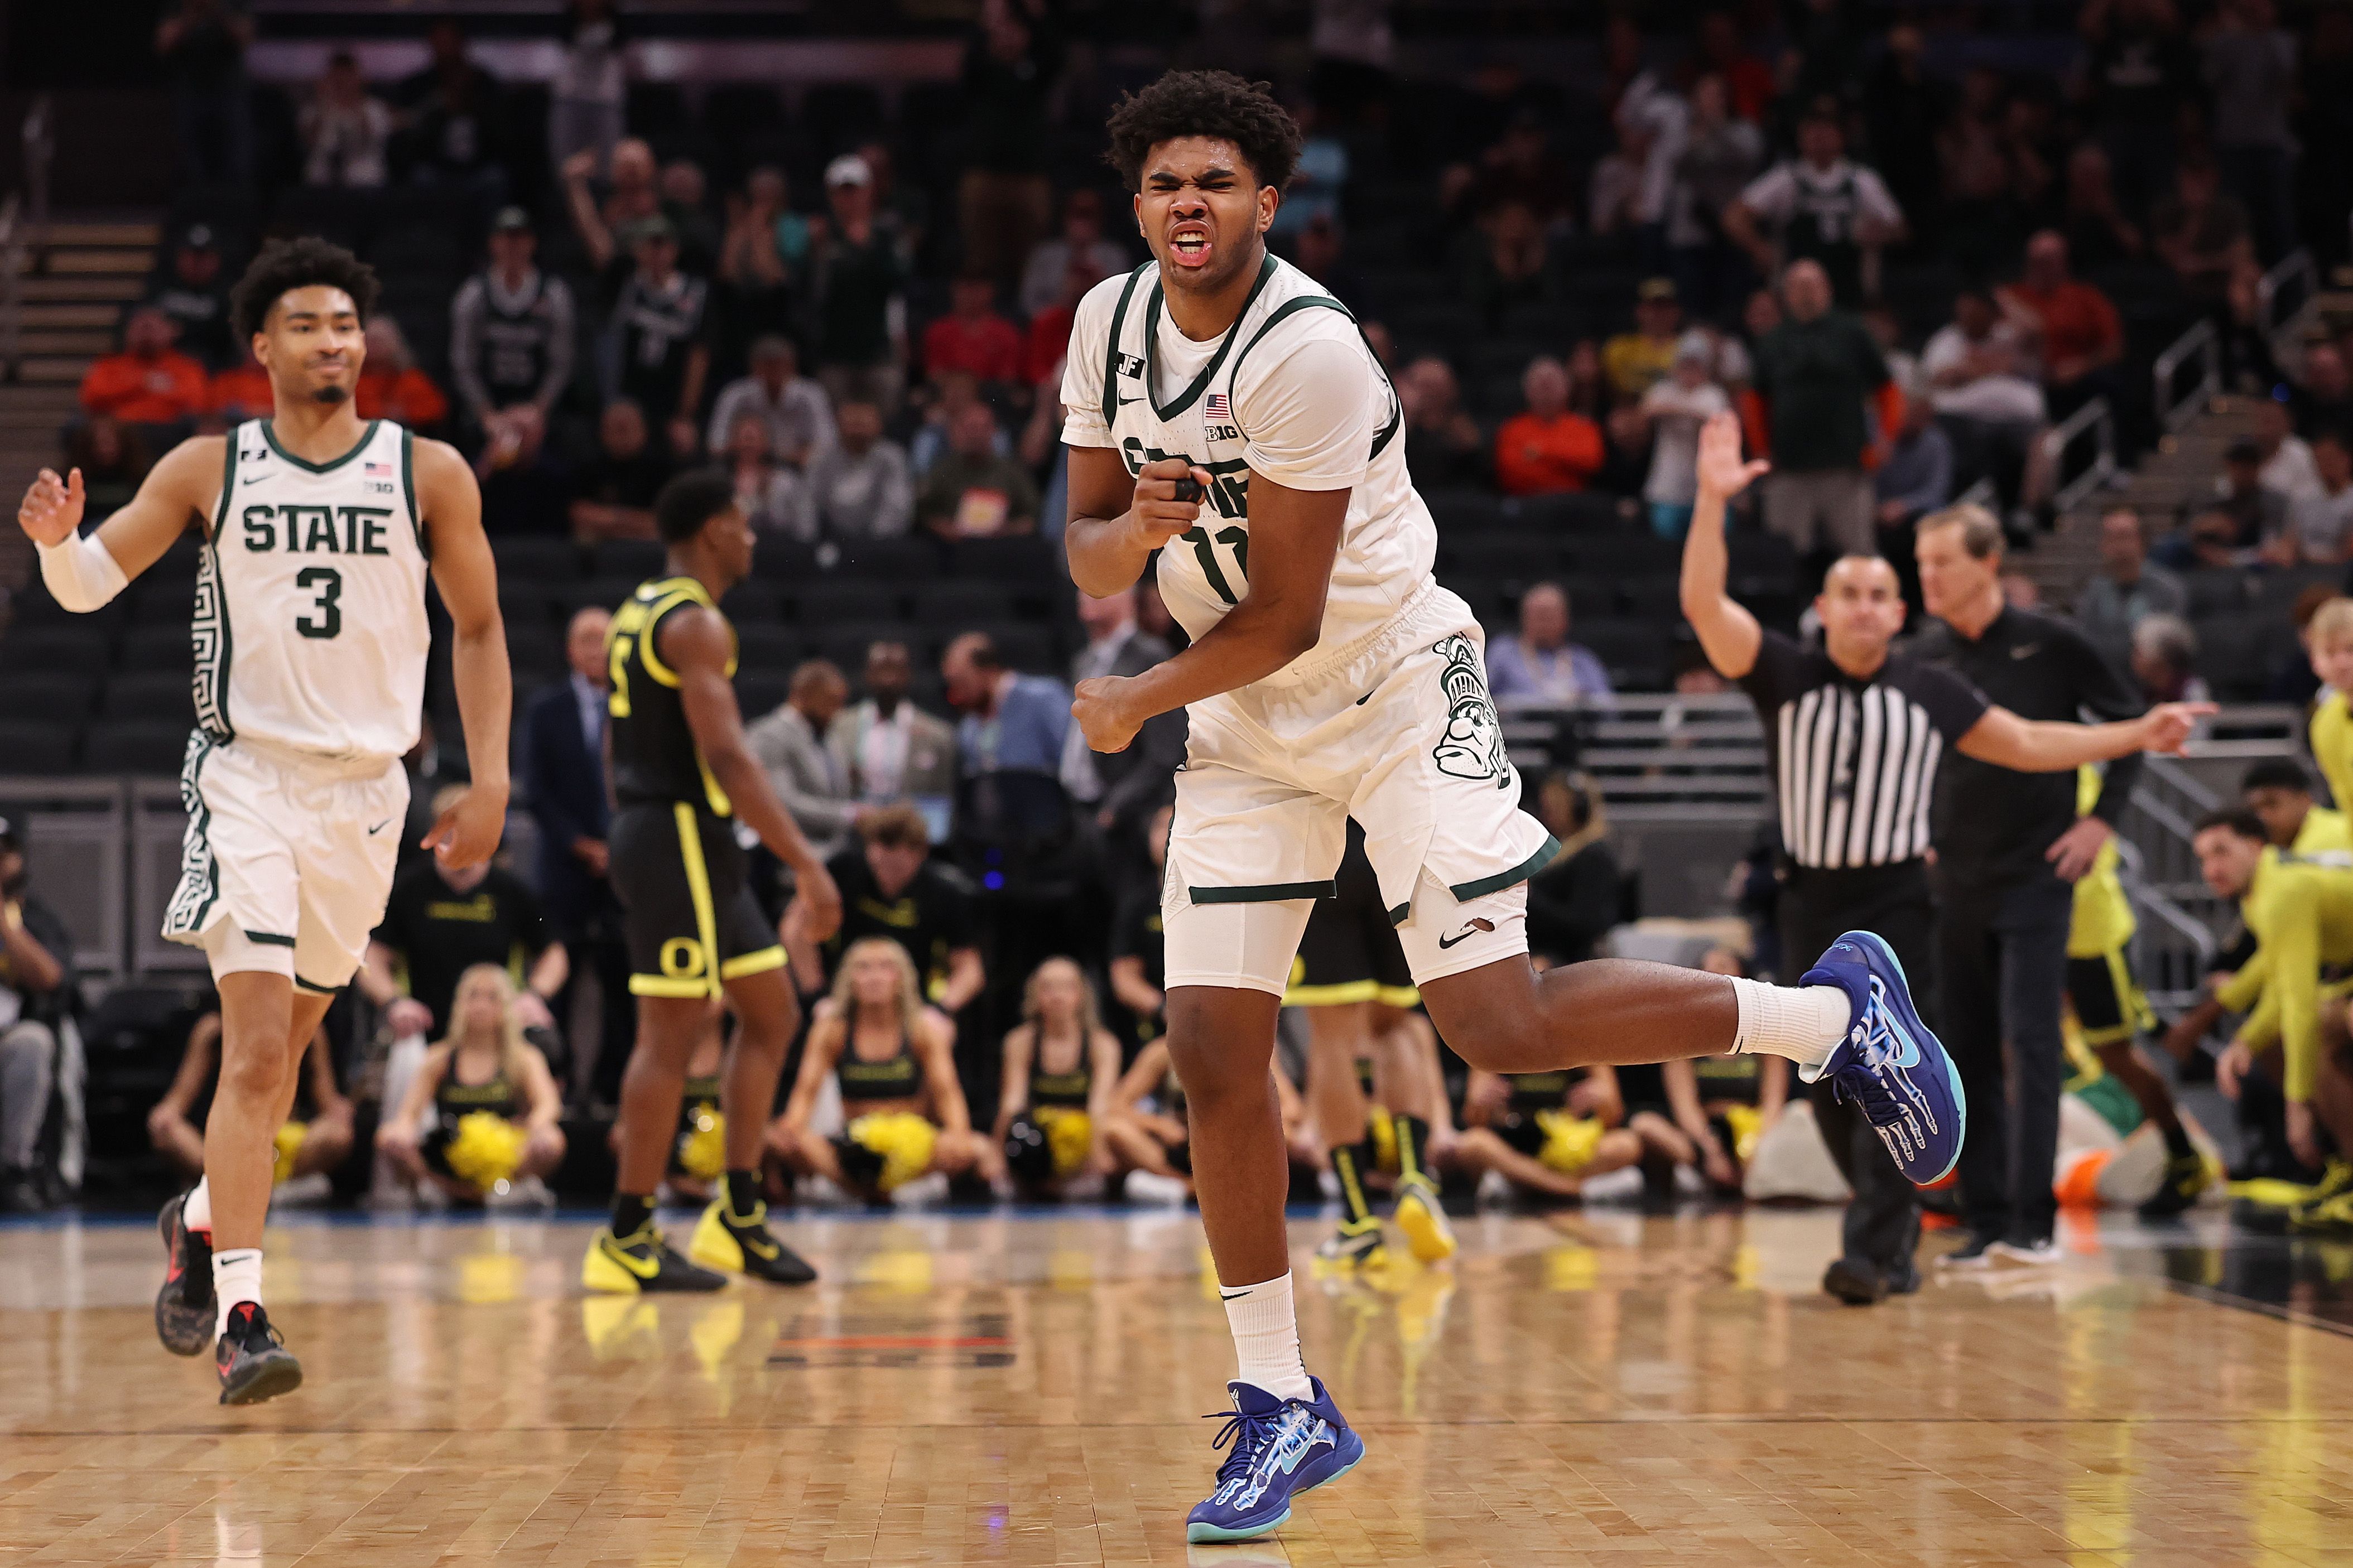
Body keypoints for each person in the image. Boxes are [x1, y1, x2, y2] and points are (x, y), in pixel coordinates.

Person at [1061, 71, 1973, 1544]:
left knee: (1496, 1024)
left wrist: (1131, 698)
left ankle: (1828, 1020)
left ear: (1266, 202)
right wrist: (1140, 533)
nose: (1187, 199)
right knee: (1208, 1038)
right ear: (1136, 195)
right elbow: (1087, 553)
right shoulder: (1105, 328)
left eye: (1216, 179)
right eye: (1164, 175)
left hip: (1390, 682)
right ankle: (1281, 1396)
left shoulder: (1310, 352)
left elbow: (1289, 614)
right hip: (1237, 711)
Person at [18, 236, 510, 1403]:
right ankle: (243, 1311)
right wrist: (50, 550)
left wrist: (487, 780)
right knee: (249, 1053)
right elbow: (93, 581)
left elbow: (481, 630)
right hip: (248, 778)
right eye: (306, 324)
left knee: (286, 1058)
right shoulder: (208, 465)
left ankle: (197, 1222)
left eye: (346, 322)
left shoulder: (429, 470)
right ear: (261, 347)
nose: (332, 340)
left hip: (369, 797)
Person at [1682, 416, 2202, 1301]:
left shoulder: (1928, 685)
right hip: (1809, 900)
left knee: (1893, 1069)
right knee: (1828, 1089)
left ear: (1895, 613)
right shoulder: (1782, 672)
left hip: (1897, 902)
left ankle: (1877, 1251)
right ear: (1824, 608)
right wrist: (1709, 502)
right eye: (1847, 590)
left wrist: (2134, 731)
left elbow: (2033, 740)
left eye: (1879, 592)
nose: (1863, 604)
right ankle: (1910, 1238)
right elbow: (1704, 607)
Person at [581, 471, 841, 1292]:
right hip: (678, 837)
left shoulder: (640, 608)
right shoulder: (696, 623)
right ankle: (629, 1230)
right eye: (743, 523)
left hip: (681, 835)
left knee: (771, 1011)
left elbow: (619, 744)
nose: (753, 537)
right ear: (712, 532)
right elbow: (729, 757)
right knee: (671, 1033)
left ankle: (738, 1211)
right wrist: (806, 863)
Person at [1912, 503, 2190, 1269]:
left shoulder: (2056, 643)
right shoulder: (1926, 654)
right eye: (1921, 562)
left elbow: (2129, 729)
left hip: (2038, 875)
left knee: (2031, 1043)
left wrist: (2101, 819)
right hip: (1955, 878)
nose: (1926, 576)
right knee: (1964, 1046)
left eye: (1941, 562)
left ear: (1987, 562)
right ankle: (1985, 1215)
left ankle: (2033, 1222)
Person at [1286, 822, 1456, 1268]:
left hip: (1325, 844)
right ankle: (1416, 1179)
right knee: (1394, 1024)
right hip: (1397, 844)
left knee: (1332, 1040)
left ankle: (1359, 1220)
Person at [2061, 766, 2211, 1217]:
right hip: (2025, 930)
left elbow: (2084, 848)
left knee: (2117, 1055)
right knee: (2006, 1044)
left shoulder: (2069, 763)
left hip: (2089, 935)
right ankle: (1990, 1178)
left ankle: (2182, 1154)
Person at [2192, 809, 2353, 1226]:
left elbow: (2296, 999)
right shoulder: (2263, 892)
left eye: (2221, 852)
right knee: (2318, 1030)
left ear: (2255, 845)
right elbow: (2283, 984)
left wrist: (2296, 1103)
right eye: (2203, 858)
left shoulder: (2280, 890)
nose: (2211, 869)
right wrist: (2246, 1039)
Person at [767, 936, 994, 1199]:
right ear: (849, 980)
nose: (874, 977)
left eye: (885, 968)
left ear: (902, 979)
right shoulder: (832, 1030)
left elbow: (948, 1094)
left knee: (978, 1148)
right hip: (850, 1150)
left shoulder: (922, 1031)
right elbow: (804, 1096)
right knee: (780, 1141)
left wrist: (958, 1135)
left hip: (912, 1153)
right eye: (863, 968)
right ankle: (860, 1188)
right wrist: (791, 1130)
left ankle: (874, 1192)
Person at [520, 606, 634, 1107]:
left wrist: (618, 845)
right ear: (570, 649)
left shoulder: (636, 706)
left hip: (625, 866)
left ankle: (613, 1087)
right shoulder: (546, 709)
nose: (597, 648)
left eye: (605, 640)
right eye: (587, 639)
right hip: (564, 866)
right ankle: (557, 1083)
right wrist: (581, 845)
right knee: (558, 979)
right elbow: (537, 790)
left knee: (622, 980)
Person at [361, 795, 566, 1042]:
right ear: (435, 835)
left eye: (471, 834)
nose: (461, 845)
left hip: (496, 1034)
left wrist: (534, 996)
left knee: (545, 1047)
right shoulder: (409, 888)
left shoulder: (512, 891)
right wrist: (394, 1002)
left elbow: (554, 954)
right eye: (451, 835)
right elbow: (372, 955)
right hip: (422, 1029)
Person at [375, 964, 566, 1202]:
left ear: (506, 1007)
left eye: (492, 998)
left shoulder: (524, 1057)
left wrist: (534, 1127)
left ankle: (508, 1190)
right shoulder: (440, 1057)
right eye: (473, 996)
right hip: (449, 1155)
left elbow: (548, 1104)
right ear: (460, 1004)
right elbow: (409, 1113)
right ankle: (435, 1190)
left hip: (509, 1155)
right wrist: (403, 1129)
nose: (481, 1006)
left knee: (552, 1140)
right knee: (390, 1138)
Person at [1749, 259, 1894, 561]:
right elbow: (1754, 400)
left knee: (1861, 558)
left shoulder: (1852, 333)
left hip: (1845, 469)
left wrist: (1885, 439)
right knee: (1784, 559)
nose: (1806, 294)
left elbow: (1888, 390)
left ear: (1827, 290)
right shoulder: (1773, 340)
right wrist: (1761, 448)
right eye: (1798, 287)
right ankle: (1794, 610)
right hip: (1788, 471)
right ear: (1786, 294)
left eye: (1812, 286)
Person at [787, 805, 984, 1012]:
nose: (888, 873)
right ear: (868, 848)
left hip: (911, 1006)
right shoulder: (842, 871)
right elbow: (794, 929)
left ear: (921, 854)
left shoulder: (943, 893)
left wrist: (941, 1011)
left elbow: (970, 969)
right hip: (842, 999)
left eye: (897, 866)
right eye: (881, 863)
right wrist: (817, 996)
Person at [150, 1006, 351, 1197]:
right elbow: (177, 1100)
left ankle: (276, 1193)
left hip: (284, 1143)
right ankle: (221, 1187)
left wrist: (341, 1112)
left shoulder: (308, 1027)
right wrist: (166, 1117)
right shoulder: (214, 1030)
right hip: (226, 1144)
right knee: (166, 1129)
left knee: (337, 1133)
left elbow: (329, 1101)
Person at [1721, 109, 1906, 306]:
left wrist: (1878, 233)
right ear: (1801, 138)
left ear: (1841, 137)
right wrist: (1759, 248)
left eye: (1826, 131)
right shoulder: (1788, 178)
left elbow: (1900, 229)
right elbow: (1733, 217)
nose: (1820, 138)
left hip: (1850, 290)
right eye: (1813, 131)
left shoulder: (1860, 179)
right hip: (1797, 292)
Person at [449, 209, 576, 462]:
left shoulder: (553, 294)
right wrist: (487, 416)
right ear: (493, 243)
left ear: (532, 243)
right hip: (488, 408)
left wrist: (538, 410)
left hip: (537, 408)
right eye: (506, 238)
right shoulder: (474, 295)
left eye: (520, 238)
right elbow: (463, 363)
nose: (513, 246)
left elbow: (561, 362)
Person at [1062, 587, 1181, 848]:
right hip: (1080, 808)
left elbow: (1166, 752)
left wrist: (1117, 807)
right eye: (1082, 588)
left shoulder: (1151, 655)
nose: (1086, 594)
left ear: (1128, 594)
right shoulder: (1083, 660)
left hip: (1126, 816)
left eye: (1097, 586)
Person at [993, 957, 1124, 1194]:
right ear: (1035, 995)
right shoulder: (1020, 1042)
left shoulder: (1103, 1045)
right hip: (1039, 1140)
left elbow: (1100, 1106)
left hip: (1085, 1140)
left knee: (1098, 1131)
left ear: (1082, 994)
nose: (1057, 996)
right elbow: (1012, 1103)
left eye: (1066, 987)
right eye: (1048, 988)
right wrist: (998, 1159)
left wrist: (1098, 1155)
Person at [1445, 1056, 1645, 1203]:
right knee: (1473, 1144)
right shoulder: (1494, 1041)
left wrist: (1601, 1099)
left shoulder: (1583, 1037)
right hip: (1514, 1146)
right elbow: (1472, 1119)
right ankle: (1578, 1191)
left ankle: (1525, 1187)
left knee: (1626, 1144)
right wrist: (1482, 1103)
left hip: (1569, 1149)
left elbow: (1614, 1115)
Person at [0, 818, 74, 1211]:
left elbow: (52, 978)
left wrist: (3, 921)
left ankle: (15, 1170)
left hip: (9, 1036)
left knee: (33, 1043)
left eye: (3, 851)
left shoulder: (34, 915)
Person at [602, 218, 710, 462]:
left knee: (681, 447)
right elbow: (609, 342)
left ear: (675, 250)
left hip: (669, 402)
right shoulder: (625, 283)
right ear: (637, 250)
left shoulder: (695, 293)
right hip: (627, 398)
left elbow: (699, 357)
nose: (656, 254)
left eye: (662, 246)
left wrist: (685, 415)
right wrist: (611, 401)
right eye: (650, 246)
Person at [745, 660, 860, 860]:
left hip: (835, 851)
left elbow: (839, 795)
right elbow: (782, 803)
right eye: (832, 701)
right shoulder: (769, 736)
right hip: (788, 854)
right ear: (804, 695)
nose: (839, 711)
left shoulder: (830, 737)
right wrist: (850, 816)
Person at [833, 641, 957, 823]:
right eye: (881, 669)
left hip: (911, 833)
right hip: (853, 833)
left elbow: (942, 802)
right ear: (867, 674)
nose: (888, 679)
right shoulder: (838, 727)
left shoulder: (938, 736)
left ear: (909, 675)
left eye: (895, 670)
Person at [1636, 332, 1730, 540]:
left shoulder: (1713, 394)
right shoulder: (1663, 390)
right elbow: (1647, 410)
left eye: (1695, 365)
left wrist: (1677, 412)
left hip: (1706, 488)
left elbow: (1715, 422)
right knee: (1665, 545)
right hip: (1667, 487)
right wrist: (1689, 412)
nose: (1689, 371)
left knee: (1711, 544)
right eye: (1685, 365)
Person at [942, 630, 1070, 783]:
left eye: (963, 683)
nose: (958, 695)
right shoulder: (968, 728)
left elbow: (1071, 757)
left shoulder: (1043, 698)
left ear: (988, 672)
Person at [2076, 507, 2187, 668]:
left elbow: (2172, 650)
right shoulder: (2094, 592)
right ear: (2103, 544)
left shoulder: (2168, 589)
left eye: (2125, 537)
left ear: (2142, 541)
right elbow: (2086, 641)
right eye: (2111, 537)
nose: (2119, 546)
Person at [705, 336, 833, 471]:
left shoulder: (811, 394)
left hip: (798, 471)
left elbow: (828, 446)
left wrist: (782, 458)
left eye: (778, 365)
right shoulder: (735, 394)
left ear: (792, 366)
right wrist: (748, 447)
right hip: (744, 469)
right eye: (767, 365)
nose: (773, 372)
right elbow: (716, 445)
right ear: (754, 367)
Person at [917, 402, 1040, 537]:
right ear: (957, 430)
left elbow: (1032, 517)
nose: (976, 435)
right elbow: (924, 514)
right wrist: (946, 528)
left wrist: (1008, 530)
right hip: (951, 547)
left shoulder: (1012, 473)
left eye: (983, 428)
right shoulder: (943, 471)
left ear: (994, 431)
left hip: (1001, 546)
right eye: (971, 428)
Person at [79, 308, 210, 433]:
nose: (146, 335)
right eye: (140, 328)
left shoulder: (187, 367)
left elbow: (196, 403)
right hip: (121, 431)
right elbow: (92, 398)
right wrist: (142, 385)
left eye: (151, 328)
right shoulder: (109, 365)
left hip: (169, 429)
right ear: (127, 332)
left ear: (171, 331)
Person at [1492, 356, 1604, 497]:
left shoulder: (1584, 426)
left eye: (1552, 384)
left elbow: (1591, 460)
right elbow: (1509, 470)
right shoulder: (1513, 428)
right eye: (1541, 385)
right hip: (1526, 502)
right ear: (1527, 390)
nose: (1546, 391)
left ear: (1567, 388)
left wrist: (1539, 452)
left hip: (1572, 503)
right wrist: (1564, 462)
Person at [1484, 583, 1610, 706]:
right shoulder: (1503, 653)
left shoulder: (1582, 660)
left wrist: (1583, 702)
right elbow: (1481, 699)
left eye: (1549, 616)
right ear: (1524, 617)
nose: (1543, 623)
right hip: (1517, 726)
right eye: (1538, 615)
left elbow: (1608, 707)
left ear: (1564, 619)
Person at [805, 400, 913, 539]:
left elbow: (897, 507)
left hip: (877, 542)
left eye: (863, 425)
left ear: (879, 425)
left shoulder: (892, 458)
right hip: (829, 537)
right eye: (852, 424)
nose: (857, 432)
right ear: (838, 425)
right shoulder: (822, 457)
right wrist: (809, 542)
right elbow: (807, 503)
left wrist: (872, 545)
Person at [568, 400, 670, 541]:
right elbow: (578, 513)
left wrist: (612, 519)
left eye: (629, 429)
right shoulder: (590, 465)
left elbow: (663, 521)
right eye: (618, 430)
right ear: (603, 433)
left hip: (647, 546)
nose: (624, 437)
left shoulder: (661, 468)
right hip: (601, 545)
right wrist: (629, 521)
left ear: (644, 431)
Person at [1021, 189, 1132, 318]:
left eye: (1089, 216)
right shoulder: (1046, 255)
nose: (1082, 223)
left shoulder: (1114, 255)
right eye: (1078, 215)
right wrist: (1064, 300)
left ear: (1100, 219)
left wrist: (1097, 286)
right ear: (1066, 217)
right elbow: (1027, 303)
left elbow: (1126, 304)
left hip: (1101, 322)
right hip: (1055, 327)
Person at [147, 225, 234, 371]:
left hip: (211, 373)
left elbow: (229, 343)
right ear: (179, 257)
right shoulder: (159, 288)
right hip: (161, 370)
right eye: (192, 255)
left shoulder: (228, 296)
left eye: (204, 256)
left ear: (217, 259)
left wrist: (178, 330)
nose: (197, 263)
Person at [300, 51, 391, 188]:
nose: (342, 82)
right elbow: (309, 142)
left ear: (359, 78)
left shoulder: (375, 109)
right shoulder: (314, 109)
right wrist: (324, 104)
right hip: (320, 184)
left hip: (364, 183)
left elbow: (369, 138)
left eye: (348, 76)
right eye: (337, 76)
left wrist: (355, 103)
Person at [923, 273, 1025, 388]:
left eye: (978, 288)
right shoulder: (939, 331)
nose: (972, 295)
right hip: (948, 394)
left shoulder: (1006, 333)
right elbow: (935, 374)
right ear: (954, 290)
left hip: (991, 395)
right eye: (967, 287)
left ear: (991, 291)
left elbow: (1007, 378)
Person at [2243, 757, 2353, 861]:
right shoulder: (2269, 854)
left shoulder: (2337, 834)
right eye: (2254, 810)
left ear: (2304, 798)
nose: (2262, 817)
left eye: (2272, 803)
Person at [1602, 279, 1687, 406]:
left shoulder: (1690, 347)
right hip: (1631, 410)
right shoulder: (1619, 348)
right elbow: (1611, 391)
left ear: (1677, 312)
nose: (1660, 314)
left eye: (1666, 307)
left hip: (1677, 412)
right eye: (1654, 307)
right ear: (1639, 311)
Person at [354, 319, 449, 432]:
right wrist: (383, 412)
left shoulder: (411, 378)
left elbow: (436, 409)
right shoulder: (353, 381)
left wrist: (406, 414)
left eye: (378, 341)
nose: (374, 347)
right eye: (368, 341)